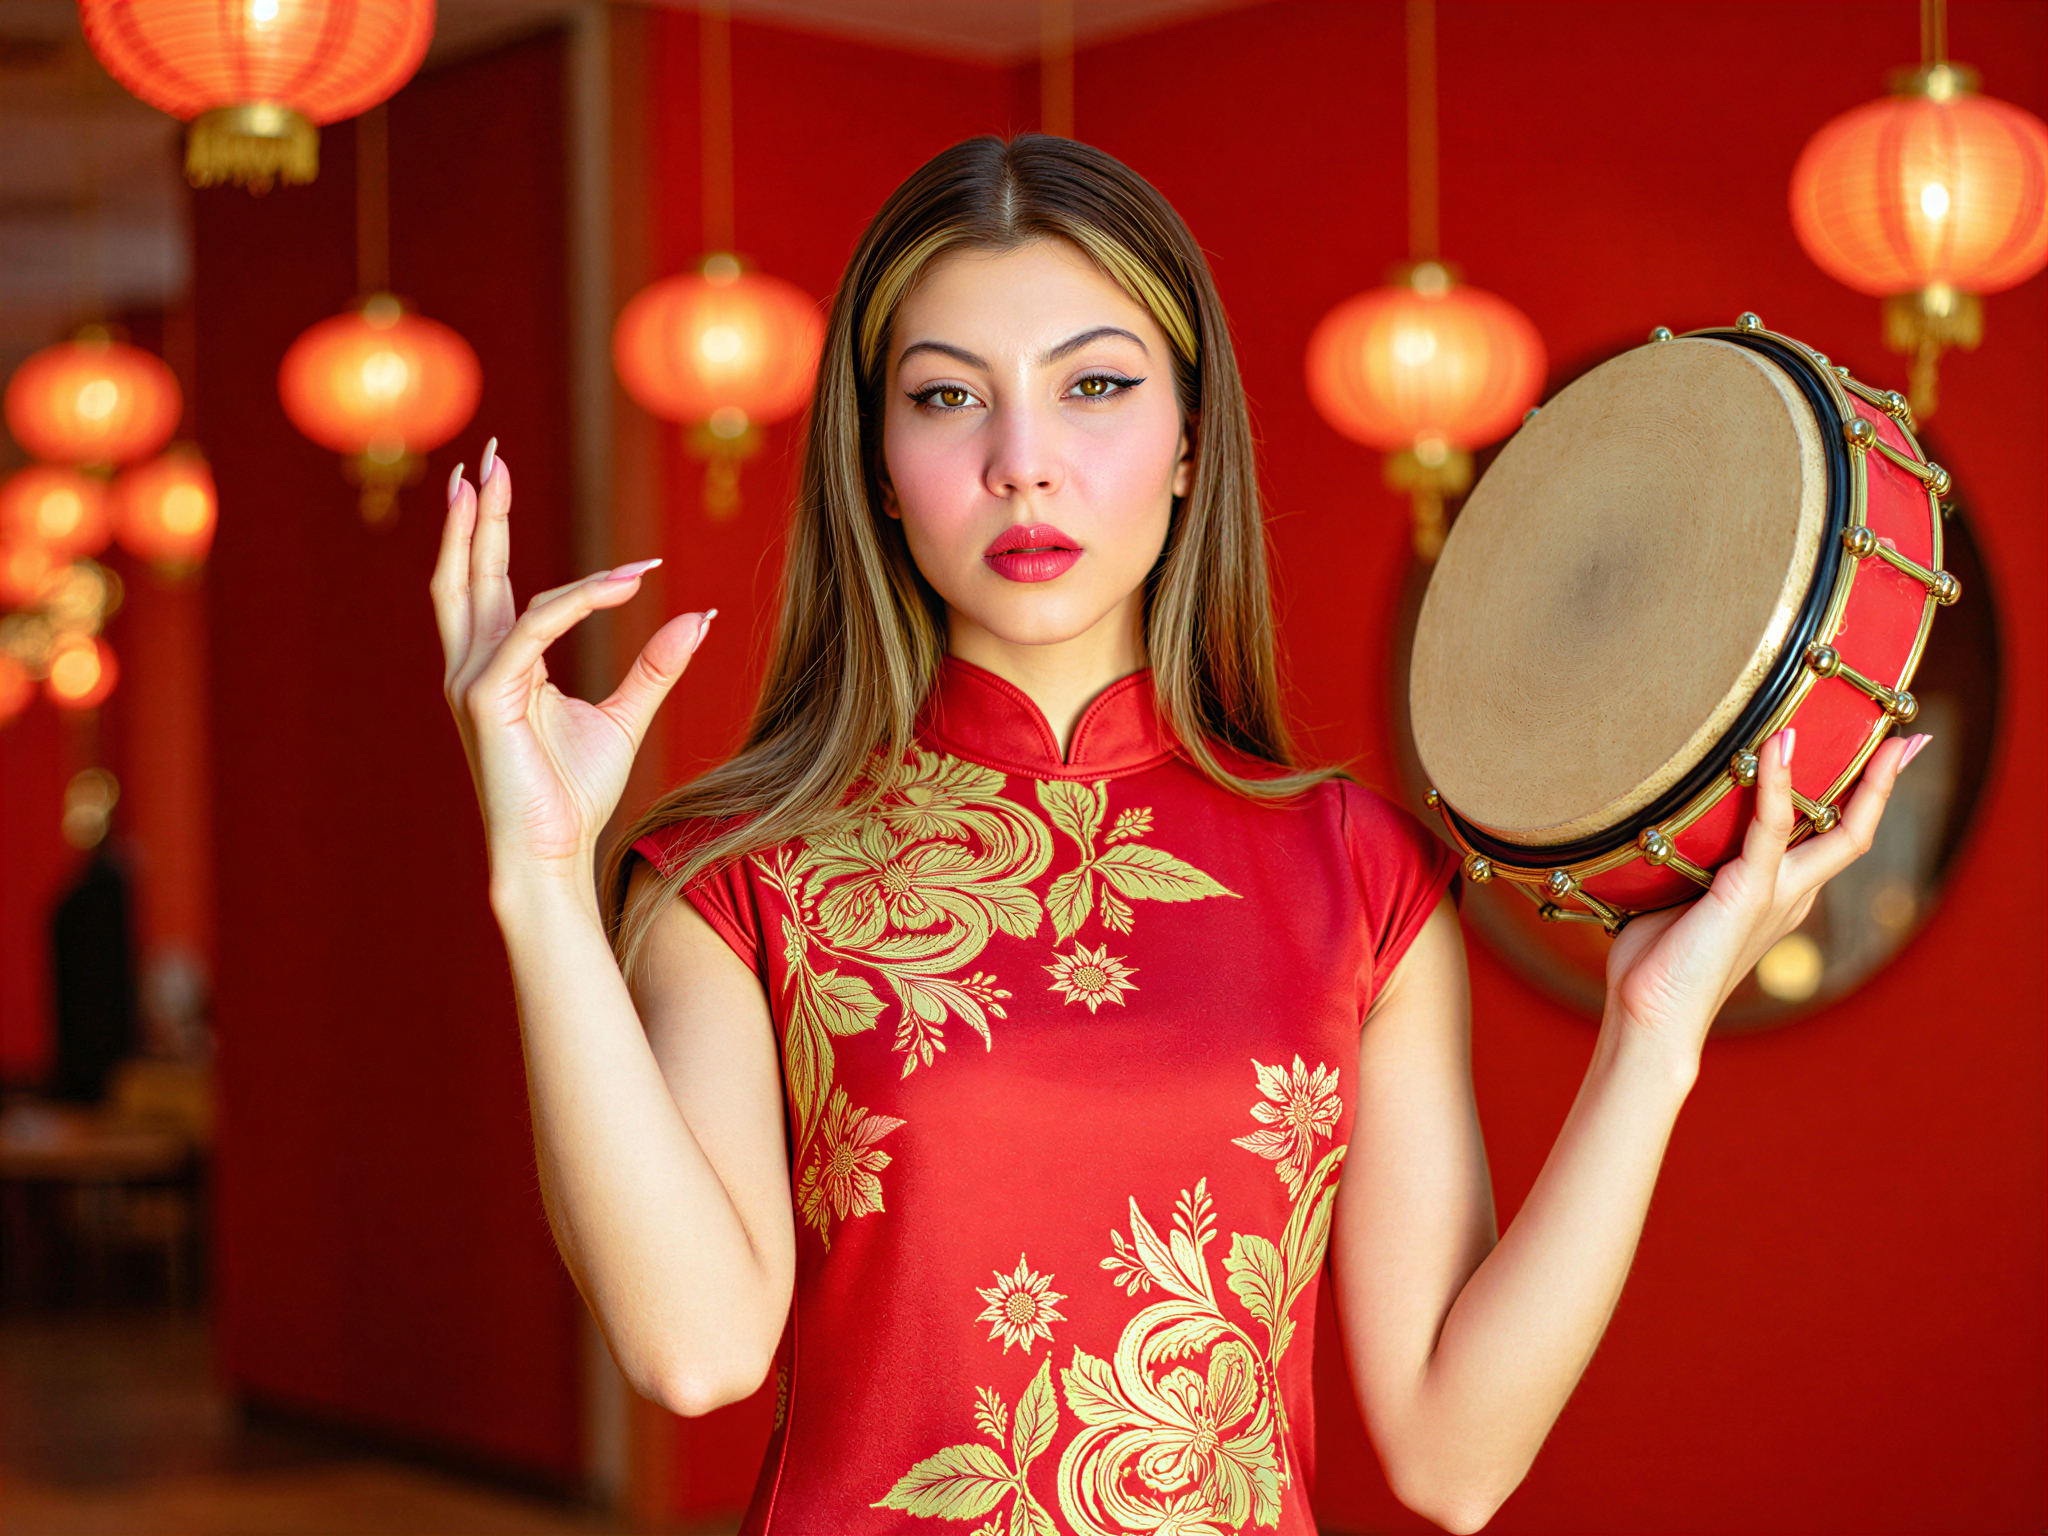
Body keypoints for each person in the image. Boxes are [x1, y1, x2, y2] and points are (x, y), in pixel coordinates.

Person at [431, 136, 1921, 1535]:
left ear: (1193, 441)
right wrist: (544, 882)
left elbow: (1455, 1464)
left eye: (1094, 387)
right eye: (948, 396)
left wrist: (1654, 1033)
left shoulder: (1360, 877)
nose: (1024, 460)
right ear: (877, 468)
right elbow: (693, 1353)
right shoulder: (743, 879)